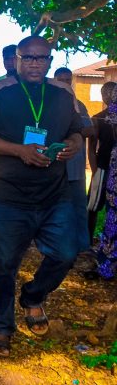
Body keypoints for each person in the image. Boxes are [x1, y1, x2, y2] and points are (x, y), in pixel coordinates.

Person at [0, 36, 83, 357]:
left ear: (50, 61)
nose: (35, 63)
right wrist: (19, 151)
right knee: (3, 266)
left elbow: (76, 129)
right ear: (17, 59)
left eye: (42, 58)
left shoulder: (63, 93)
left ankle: (33, 297)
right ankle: (2, 328)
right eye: (28, 57)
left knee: (67, 252)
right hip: (9, 195)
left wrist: (74, 144)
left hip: (54, 194)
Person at [54, 67, 95, 253]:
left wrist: (73, 134)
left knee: (78, 207)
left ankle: (82, 246)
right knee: (53, 208)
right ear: (54, 80)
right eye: (60, 79)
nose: (64, 82)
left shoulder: (79, 105)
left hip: (75, 167)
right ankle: (55, 246)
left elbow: (90, 130)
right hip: (51, 165)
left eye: (67, 79)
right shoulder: (46, 103)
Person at [91, 82, 117, 279]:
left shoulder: (103, 117)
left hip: (107, 168)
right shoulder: (101, 118)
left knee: (105, 213)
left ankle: (106, 265)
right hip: (106, 168)